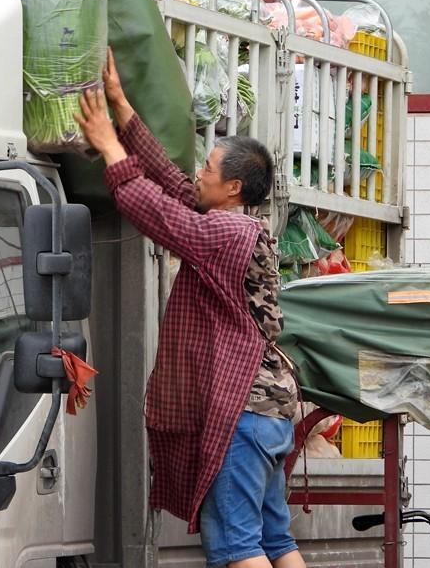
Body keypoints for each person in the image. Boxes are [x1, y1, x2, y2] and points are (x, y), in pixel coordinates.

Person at [75, 50, 306, 568]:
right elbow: (175, 188)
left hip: (242, 414)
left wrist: (109, 146)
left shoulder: (225, 232)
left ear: (234, 188)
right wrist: (121, 106)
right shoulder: (237, 225)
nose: (198, 173)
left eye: (208, 167)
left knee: (238, 548)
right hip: (270, 412)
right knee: (275, 542)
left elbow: (160, 215)